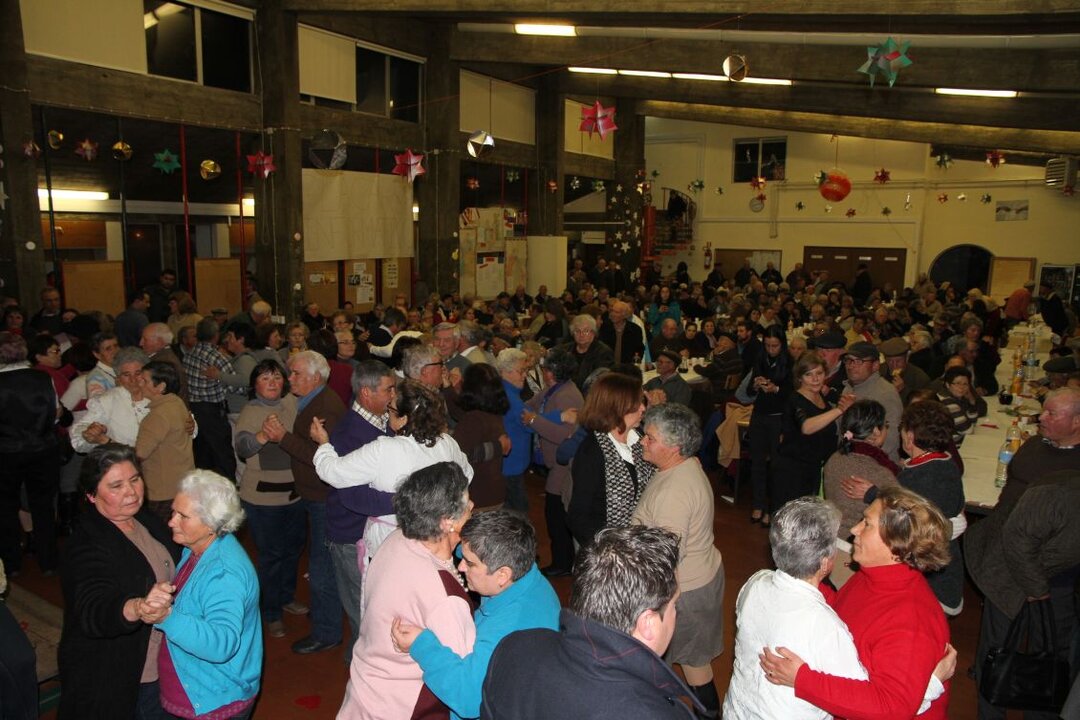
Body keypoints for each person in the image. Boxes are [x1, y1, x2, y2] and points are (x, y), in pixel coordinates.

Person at [725, 497, 950, 719]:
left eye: (867, 524)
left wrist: (802, 679)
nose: (854, 529)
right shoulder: (871, 576)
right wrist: (797, 585)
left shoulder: (912, 619)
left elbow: (891, 707)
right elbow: (843, 609)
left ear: (897, 545)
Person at [480, 525, 704, 719]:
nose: (676, 613)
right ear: (648, 623)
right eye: (674, 604)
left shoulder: (514, 647)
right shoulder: (656, 714)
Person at [391, 510, 562, 720]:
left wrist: (421, 645)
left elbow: (468, 697)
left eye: (470, 563)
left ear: (502, 575)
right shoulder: (525, 574)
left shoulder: (509, 630)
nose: (461, 565)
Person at [337, 462, 475, 719]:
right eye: (467, 504)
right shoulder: (444, 597)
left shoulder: (396, 540)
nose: (472, 506)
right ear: (447, 522)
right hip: (404, 706)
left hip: (364, 692)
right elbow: (463, 684)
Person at [58, 444, 180, 719]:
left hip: (162, 660)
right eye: (116, 486)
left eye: (135, 479)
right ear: (91, 495)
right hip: (122, 673)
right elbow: (93, 607)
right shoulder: (85, 544)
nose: (131, 492)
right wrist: (138, 607)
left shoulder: (145, 519)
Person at [311, 379, 473, 563]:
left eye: (391, 409)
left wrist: (323, 444)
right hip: (437, 536)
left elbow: (332, 472)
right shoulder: (447, 443)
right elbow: (466, 475)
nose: (387, 413)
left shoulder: (385, 449)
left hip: (392, 541)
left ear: (404, 419)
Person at [633, 403, 725, 717]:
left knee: (693, 664)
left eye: (650, 438)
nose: (643, 441)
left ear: (674, 448)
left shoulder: (675, 491)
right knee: (693, 660)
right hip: (699, 579)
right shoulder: (682, 467)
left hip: (685, 591)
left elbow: (667, 554)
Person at [966, 470, 1080, 720]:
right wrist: (1037, 589)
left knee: (1052, 656)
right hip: (1007, 569)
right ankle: (991, 714)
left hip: (1058, 577)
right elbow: (1017, 540)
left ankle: (1039, 712)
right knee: (998, 652)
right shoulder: (1058, 494)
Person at [153, 470, 262, 719]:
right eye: (173, 512)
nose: (171, 522)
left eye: (183, 516)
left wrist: (166, 617)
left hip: (212, 699)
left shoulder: (224, 574)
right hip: (198, 687)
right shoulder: (197, 550)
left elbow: (221, 644)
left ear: (212, 523)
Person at [260, 350, 346, 655]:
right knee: (320, 564)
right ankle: (326, 613)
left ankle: (327, 632)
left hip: (323, 497)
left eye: (296, 373)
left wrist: (282, 437)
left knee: (321, 569)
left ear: (315, 377)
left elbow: (321, 457)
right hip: (314, 495)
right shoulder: (310, 401)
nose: (289, 378)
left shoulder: (326, 407)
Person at [843, 400, 965, 614]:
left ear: (909, 436)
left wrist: (872, 493)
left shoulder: (918, 477)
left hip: (931, 579)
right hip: (948, 568)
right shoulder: (947, 463)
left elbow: (906, 514)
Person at [324, 359, 397, 654]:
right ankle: (361, 667)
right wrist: (404, 500)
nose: (394, 395)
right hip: (350, 535)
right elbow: (352, 496)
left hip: (371, 532)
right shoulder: (348, 434)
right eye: (389, 389)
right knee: (363, 612)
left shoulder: (383, 423)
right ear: (366, 393)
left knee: (377, 605)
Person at [234, 358, 304, 640]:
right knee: (271, 556)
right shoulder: (251, 411)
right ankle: (271, 612)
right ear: (255, 384)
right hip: (262, 499)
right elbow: (242, 447)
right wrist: (263, 435)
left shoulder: (291, 403)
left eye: (276, 377)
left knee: (292, 551)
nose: (272, 383)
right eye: (265, 378)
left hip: (294, 495)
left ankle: (286, 597)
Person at [567, 372, 654, 547]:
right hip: (607, 545)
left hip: (639, 541)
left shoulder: (640, 437)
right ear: (618, 407)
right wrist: (607, 551)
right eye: (637, 403)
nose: (643, 408)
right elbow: (578, 517)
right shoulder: (592, 452)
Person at [0, 332, 61, 575]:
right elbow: (55, 414)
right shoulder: (42, 378)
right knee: (43, 507)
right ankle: (48, 562)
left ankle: (11, 564)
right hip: (43, 450)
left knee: (6, 508)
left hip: (6, 453)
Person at [821, 400, 899, 588]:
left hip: (833, 542)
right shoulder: (880, 472)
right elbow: (901, 514)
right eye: (885, 425)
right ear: (876, 432)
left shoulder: (835, 458)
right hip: (860, 549)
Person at [522, 346, 582, 576]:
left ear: (551, 372)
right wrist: (549, 417)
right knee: (556, 513)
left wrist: (534, 421)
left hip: (564, 464)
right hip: (557, 462)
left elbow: (563, 435)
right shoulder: (553, 390)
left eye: (545, 368)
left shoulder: (566, 395)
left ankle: (563, 564)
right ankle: (564, 561)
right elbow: (528, 407)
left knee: (556, 515)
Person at [773, 351, 854, 519]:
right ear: (800, 378)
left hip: (813, 469)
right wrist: (840, 410)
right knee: (791, 521)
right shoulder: (795, 399)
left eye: (819, 373)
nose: (815, 379)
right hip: (793, 472)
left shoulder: (821, 397)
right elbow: (807, 427)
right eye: (808, 375)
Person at [743, 326, 793, 525]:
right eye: (767, 345)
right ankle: (758, 504)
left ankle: (774, 508)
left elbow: (792, 393)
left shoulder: (789, 362)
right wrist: (756, 385)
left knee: (776, 465)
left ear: (782, 344)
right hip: (759, 414)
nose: (771, 349)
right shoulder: (760, 358)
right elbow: (748, 391)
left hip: (779, 417)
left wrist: (776, 388)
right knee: (757, 462)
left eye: (775, 346)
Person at [135, 361, 195, 523]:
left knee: (161, 533)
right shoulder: (176, 403)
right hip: (182, 484)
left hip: (162, 490)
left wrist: (106, 441)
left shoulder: (158, 415)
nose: (139, 383)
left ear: (160, 386)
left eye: (144, 380)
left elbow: (139, 453)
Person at [452, 363, 512, 510]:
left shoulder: (474, 419)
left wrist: (498, 447)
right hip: (493, 492)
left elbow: (461, 455)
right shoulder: (492, 413)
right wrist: (450, 390)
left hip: (479, 498)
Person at [183, 318, 236, 479]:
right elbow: (235, 387)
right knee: (223, 455)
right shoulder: (218, 358)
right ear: (216, 335)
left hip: (194, 409)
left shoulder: (189, 353)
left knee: (202, 455)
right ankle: (228, 488)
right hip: (212, 411)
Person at [842, 342, 902, 462]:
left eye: (859, 361)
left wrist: (863, 463)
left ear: (875, 366)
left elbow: (891, 438)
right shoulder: (849, 388)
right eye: (849, 360)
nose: (851, 365)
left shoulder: (885, 393)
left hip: (875, 464)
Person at [561, 314, 614, 393]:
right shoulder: (565, 350)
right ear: (572, 334)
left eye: (586, 331)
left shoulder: (603, 352)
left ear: (593, 333)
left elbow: (601, 382)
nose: (581, 335)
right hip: (566, 392)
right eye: (577, 331)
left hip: (590, 395)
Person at [935, 366, 986, 445]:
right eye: (957, 383)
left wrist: (971, 402)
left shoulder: (959, 398)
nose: (961, 387)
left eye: (965, 384)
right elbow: (968, 431)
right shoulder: (947, 401)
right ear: (948, 385)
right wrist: (968, 424)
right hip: (950, 446)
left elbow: (973, 421)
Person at [140, 323, 189, 402]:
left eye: (145, 339)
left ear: (159, 341)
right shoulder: (165, 356)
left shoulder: (163, 363)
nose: (140, 343)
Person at [879, 336, 930, 404]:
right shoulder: (879, 371)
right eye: (890, 361)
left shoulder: (920, 378)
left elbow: (921, 406)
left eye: (898, 361)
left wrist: (904, 391)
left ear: (907, 358)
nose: (894, 365)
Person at [598, 300, 646, 365]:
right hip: (607, 366)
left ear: (624, 315)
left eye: (616, 312)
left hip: (627, 367)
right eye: (612, 311)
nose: (612, 314)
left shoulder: (635, 330)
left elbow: (639, 349)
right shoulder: (605, 327)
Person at [86, 331, 121, 398]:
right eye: (108, 349)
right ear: (97, 354)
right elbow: (97, 402)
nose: (115, 351)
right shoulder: (95, 378)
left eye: (116, 346)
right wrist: (119, 388)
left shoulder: (124, 366)